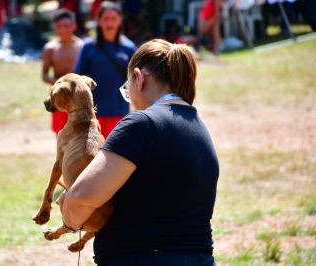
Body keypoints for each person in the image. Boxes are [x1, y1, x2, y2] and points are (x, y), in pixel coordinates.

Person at [61, 39, 219, 265]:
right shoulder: (197, 125)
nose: (131, 100)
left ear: (139, 77)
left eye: (127, 89)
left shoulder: (141, 124)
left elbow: (81, 197)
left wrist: (69, 217)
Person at [74, 1, 136, 138]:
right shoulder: (88, 47)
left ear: (120, 21)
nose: (110, 23)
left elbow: (136, 80)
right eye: (106, 19)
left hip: (120, 114)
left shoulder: (129, 48)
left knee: (116, 157)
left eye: (113, 19)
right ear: (98, 21)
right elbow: (78, 79)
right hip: (92, 114)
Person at [42, 8, 83, 134]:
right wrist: (60, 85)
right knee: (60, 134)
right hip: (58, 99)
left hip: (78, 99)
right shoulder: (50, 48)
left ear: (74, 26)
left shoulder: (82, 47)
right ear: (55, 27)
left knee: (79, 135)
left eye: (66, 26)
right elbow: (44, 75)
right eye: (59, 26)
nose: (63, 30)